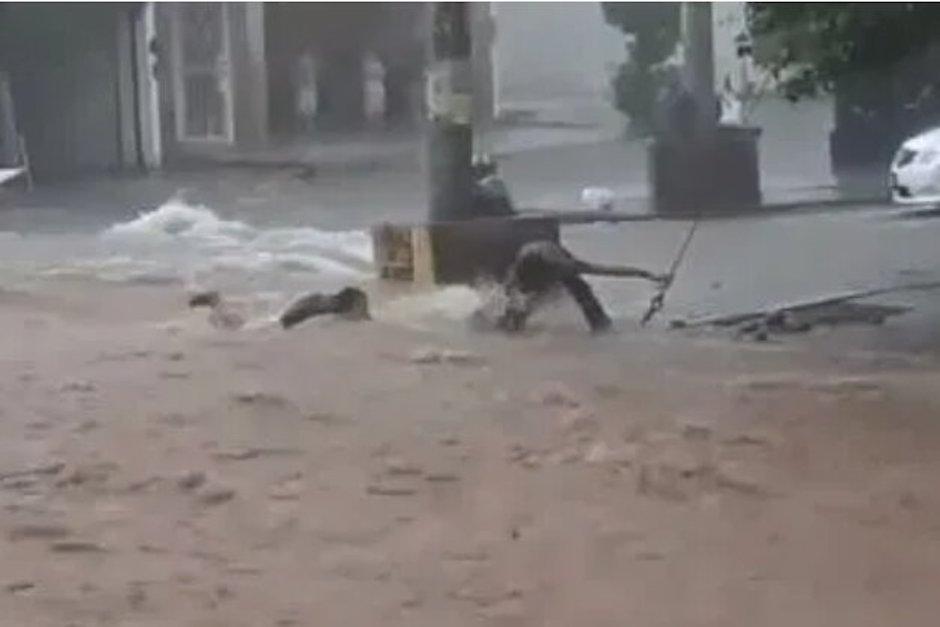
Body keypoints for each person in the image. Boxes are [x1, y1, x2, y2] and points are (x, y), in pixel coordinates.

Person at [473, 241, 670, 334]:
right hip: (533, 263)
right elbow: (509, 291)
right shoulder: (522, 271)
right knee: (513, 315)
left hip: (551, 262)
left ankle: (603, 330)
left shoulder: (567, 268)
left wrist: (648, 275)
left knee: (585, 296)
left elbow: (609, 271)